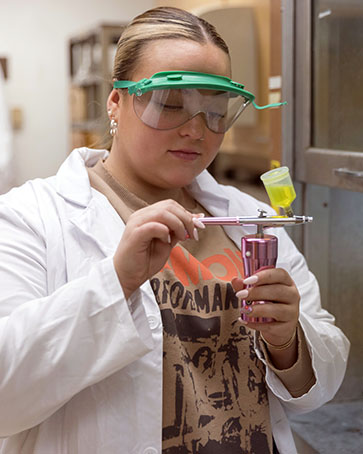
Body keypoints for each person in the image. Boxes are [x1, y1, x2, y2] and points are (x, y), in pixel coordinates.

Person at [0, 6, 349, 454]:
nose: (196, 130)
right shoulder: (30, 216)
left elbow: (323, 375)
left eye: (214, 109)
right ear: (116, 102)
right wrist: (116, 282)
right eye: (169, 104)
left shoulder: (249, 217)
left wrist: (287, 341)